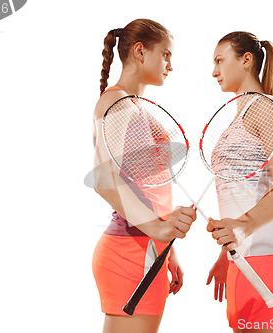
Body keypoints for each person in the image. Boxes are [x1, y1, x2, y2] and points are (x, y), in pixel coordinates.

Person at [90, 19, 196, 333]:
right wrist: (156, 230)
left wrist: (168, 247)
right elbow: (102, 177)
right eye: (165, 55)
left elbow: (149, 189)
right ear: (140, 51)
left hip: (147, 250)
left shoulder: (134, 104)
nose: (170, 65)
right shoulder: (116, 101)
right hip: (129, 252)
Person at [206, 31, 273, 333]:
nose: (214, 71)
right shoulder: (237, 116)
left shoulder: (266, 108)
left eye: (220, 60)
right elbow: (238, 195)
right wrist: (224, 254)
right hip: (242, 260)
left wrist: (242, 227)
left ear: (246, 60)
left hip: (271, 257)